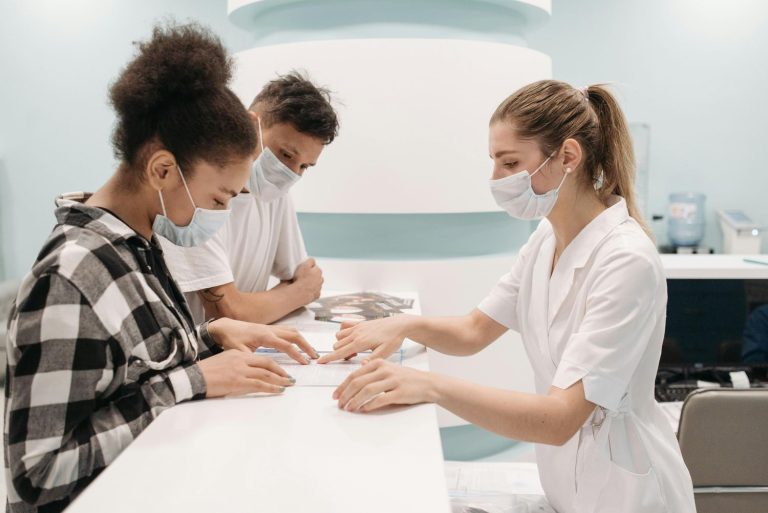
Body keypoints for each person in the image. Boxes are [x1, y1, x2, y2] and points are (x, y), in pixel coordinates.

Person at [319, 81, 696, 512]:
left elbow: (559, 419)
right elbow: (474, 330)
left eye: (510, 162)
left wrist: (429, 386)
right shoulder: (544, 240)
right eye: (494, 162)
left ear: (568, 157)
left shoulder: (626, 261)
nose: (496, 179)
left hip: (628, 495)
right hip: (569, 488)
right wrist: (404, 324)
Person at [3, 23, 317, 513]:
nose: (218, 217)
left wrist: (212, 335)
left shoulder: (139, 246)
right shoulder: (69, 278)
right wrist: (197, 379)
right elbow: (35, 476)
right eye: (219, 199)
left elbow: (135, 365)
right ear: (163, 170)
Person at [161, 72, 339, 325]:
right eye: (286, 154)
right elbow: (228, 312)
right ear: (250, 125)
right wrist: (296, 294)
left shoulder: (275, 192)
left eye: (305, 166)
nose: (290, 173)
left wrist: (289, 294)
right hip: (198, 355)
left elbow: (305, 277)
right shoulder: (197, 196)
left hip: (244, 350)